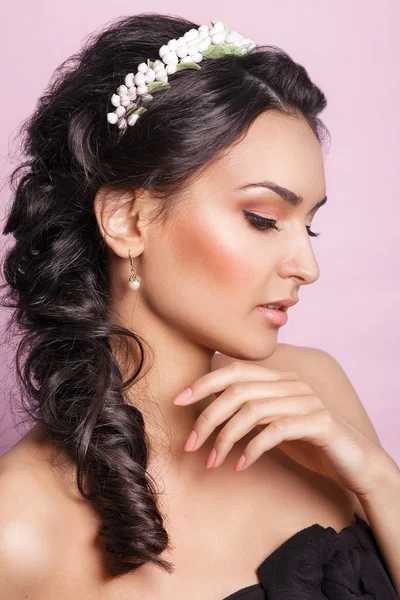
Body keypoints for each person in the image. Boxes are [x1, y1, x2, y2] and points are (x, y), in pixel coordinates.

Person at [0, 12, 397, 600]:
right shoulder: (19, 528)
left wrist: (379, 481)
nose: (306, 268)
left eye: (307, 227)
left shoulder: (313, 391)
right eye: (263, 219)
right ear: (127, 220)